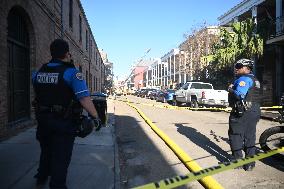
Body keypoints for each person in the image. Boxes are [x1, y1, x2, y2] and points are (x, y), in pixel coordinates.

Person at [32, 39, 101, 188]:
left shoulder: (38, 73)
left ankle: (41, 177)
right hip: (62, 124)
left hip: (42, 121)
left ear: (52, 53)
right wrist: (96, 116)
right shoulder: (72, 73)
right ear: (67, 53)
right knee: (60, 158)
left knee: (46, 151)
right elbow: (84, 98)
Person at [227, 58, 261, 171]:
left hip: (242, 111)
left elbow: (240, 95)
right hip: (254, 110)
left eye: (239, 66)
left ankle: (238, 161)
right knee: (250, 136)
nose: (236, 68)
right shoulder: (255, 80)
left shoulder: (244, 79)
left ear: (246, 68)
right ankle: (250, 163)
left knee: (235, 135)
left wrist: (231, 89)